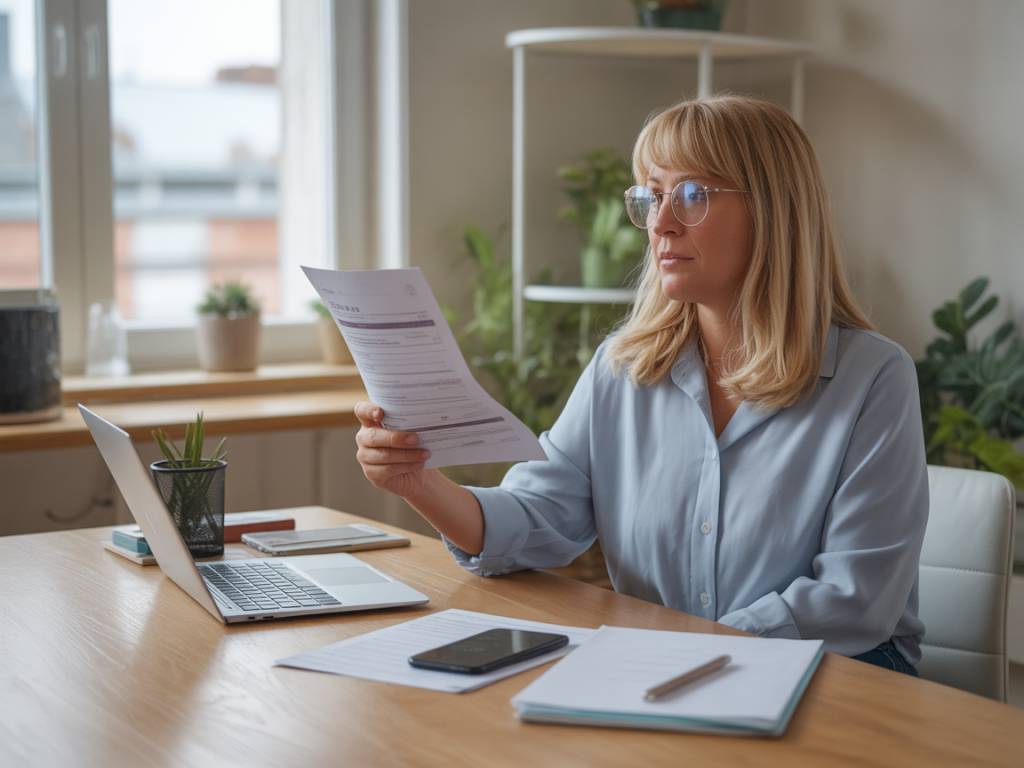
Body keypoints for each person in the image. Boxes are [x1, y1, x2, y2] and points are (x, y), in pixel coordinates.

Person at [353, 95, 927, 676]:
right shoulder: (622, 369)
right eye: (653, 196)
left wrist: (679, 650)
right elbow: (538, 516)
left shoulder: (873, 377)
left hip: (843, 675)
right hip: (671, 672)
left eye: (693, 195)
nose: (661, 222)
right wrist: (419, 482)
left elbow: (855, 597)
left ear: (774, 212)